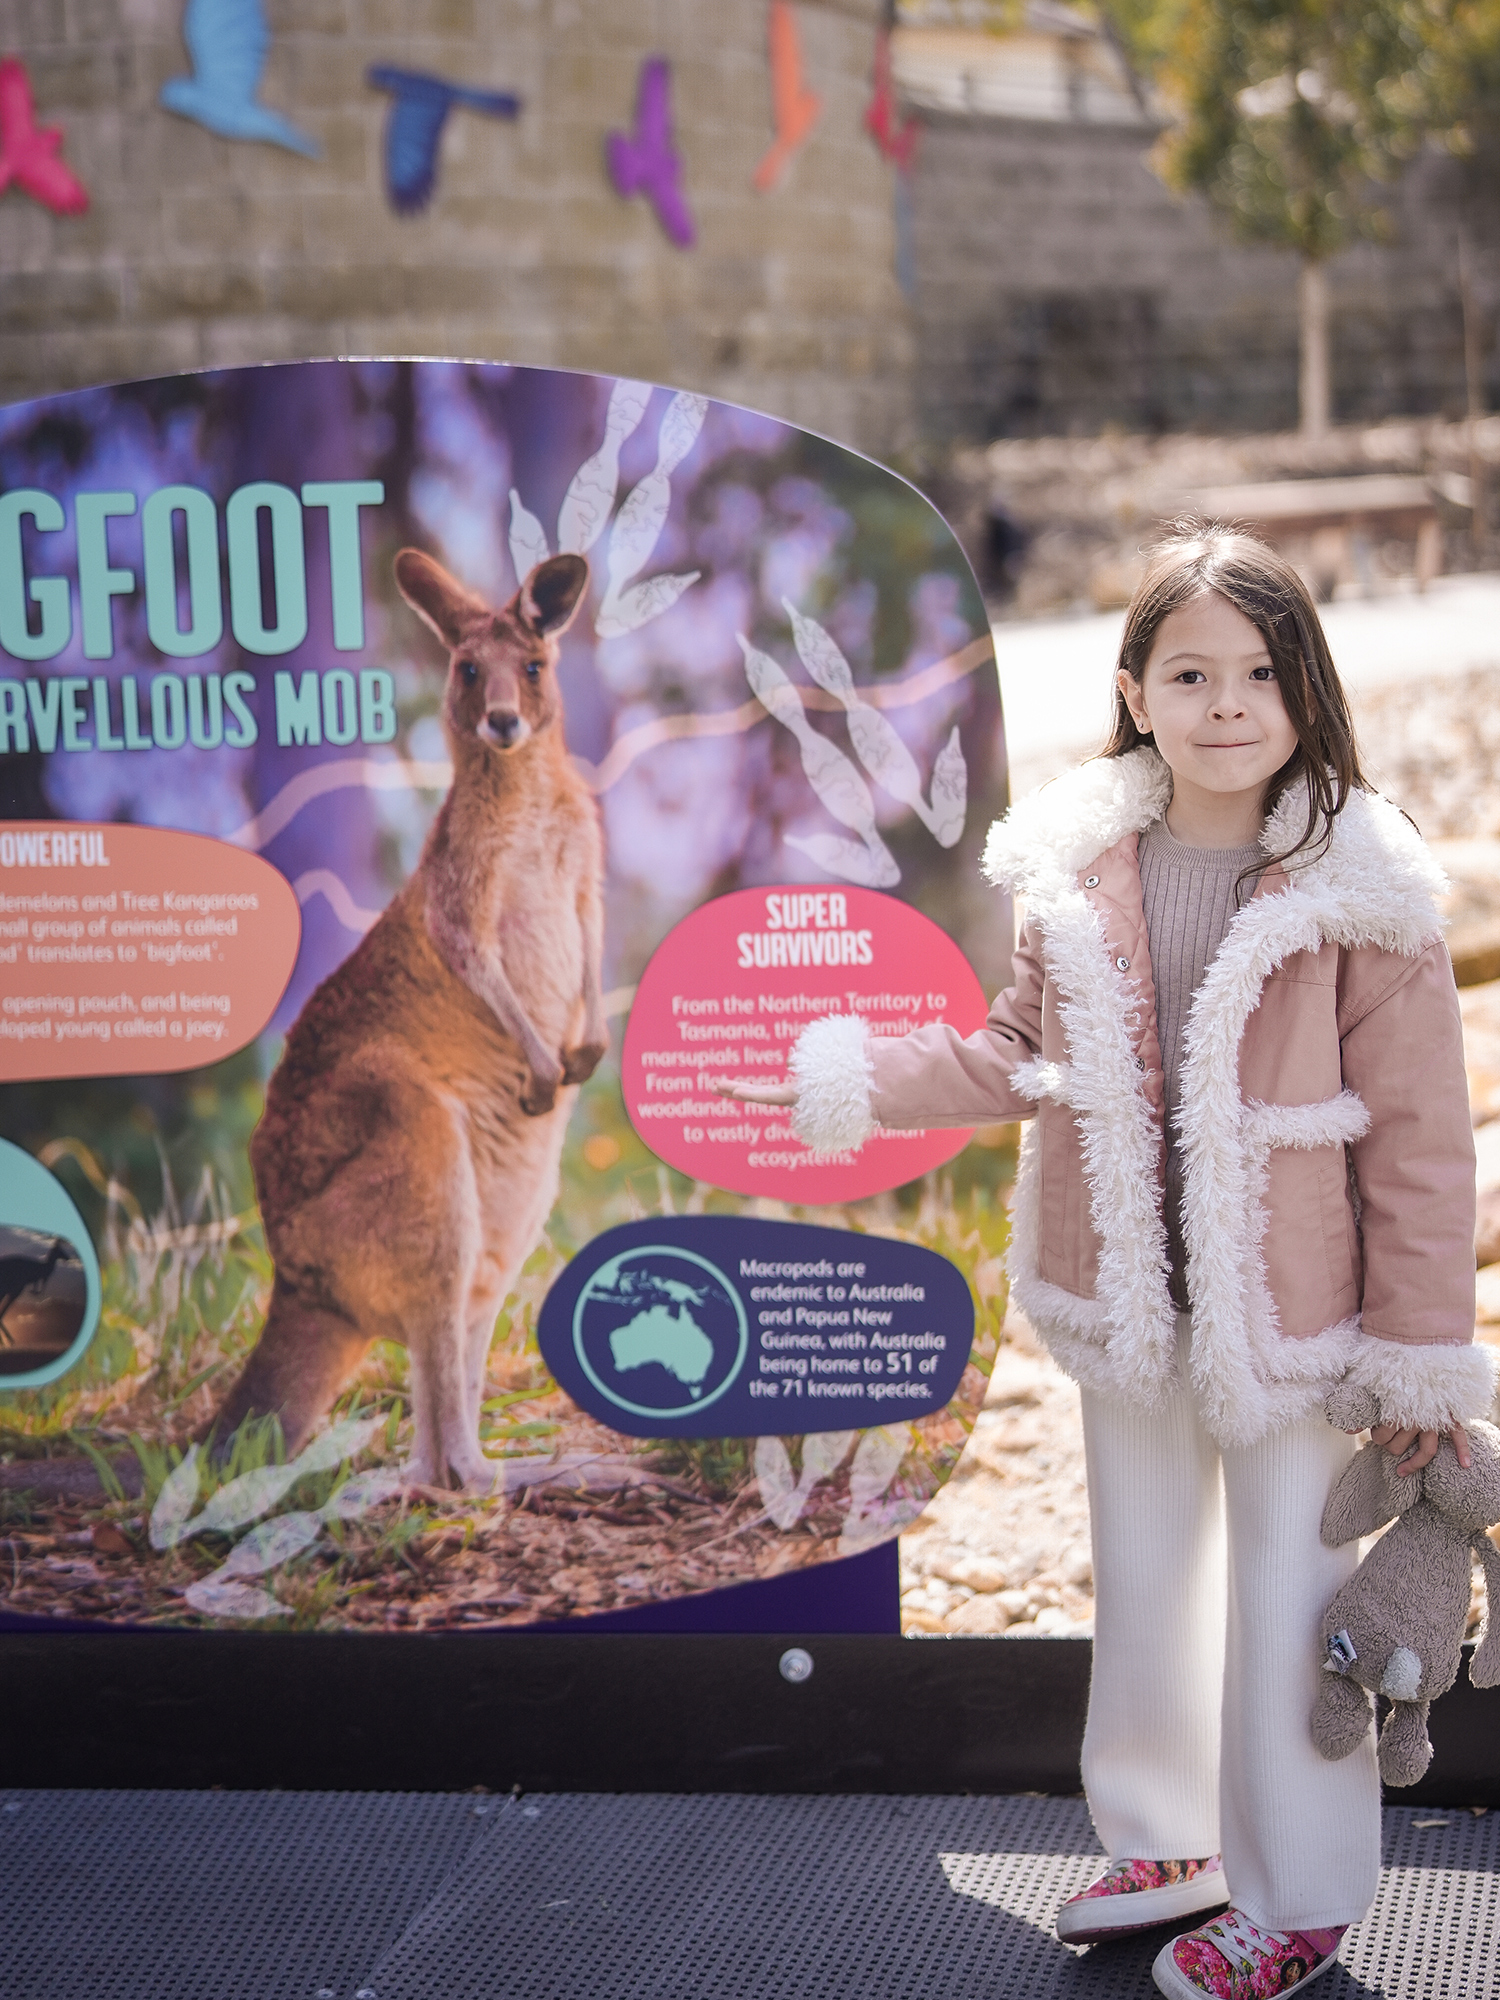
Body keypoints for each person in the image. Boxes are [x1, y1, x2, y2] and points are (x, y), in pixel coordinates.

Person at [720, 526, 1496, 1999]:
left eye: (1260, 674)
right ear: (1135, 691)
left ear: (1305, 693)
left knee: (1289, 1603)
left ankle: (1301, 1899)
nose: (1225, 704)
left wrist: (1416, 1356)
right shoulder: (1079, 867)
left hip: (1301, 1325)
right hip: (1129, 1298)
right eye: (1190, 672)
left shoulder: (1363, 887)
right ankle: (1165, 1837)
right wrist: (848, 1081)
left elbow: (1418, 1146)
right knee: (1144, 1580)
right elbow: (1016, 1054)